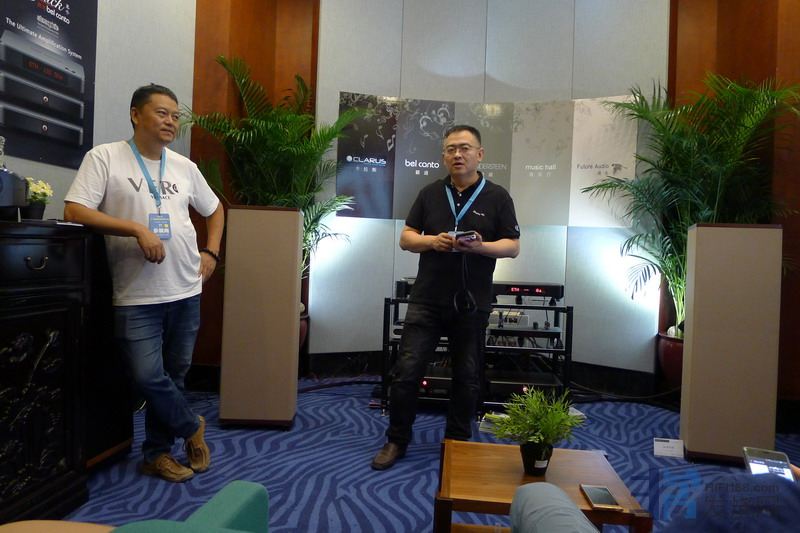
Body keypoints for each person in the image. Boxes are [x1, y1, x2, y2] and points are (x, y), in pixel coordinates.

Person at [64, 84, 224, 482]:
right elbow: (75, 210)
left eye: (175, 115)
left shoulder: (184, 166)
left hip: (186, 287)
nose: (171, 121)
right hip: (136, 293)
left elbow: (215, 208)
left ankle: (156, 454)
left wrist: (212, 252)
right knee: (146, 376)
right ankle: (191, 425)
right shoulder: (105, 157)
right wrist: (136, 229)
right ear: (136, 114)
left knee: (175, 374)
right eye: (162, 113)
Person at [371, 125, 520, 470]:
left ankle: (457, 442)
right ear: (443, 156)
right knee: (406, 372)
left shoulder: (498, 196)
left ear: (480, 154)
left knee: (467, 377)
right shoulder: (430, 193)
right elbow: (407, 238)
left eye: (465, 148)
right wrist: (432, 241)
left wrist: (480, 246)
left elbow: (512, 246)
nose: (458, 154)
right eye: (451, 149)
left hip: (472, 302)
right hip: (427, 299)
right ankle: (396, 440)